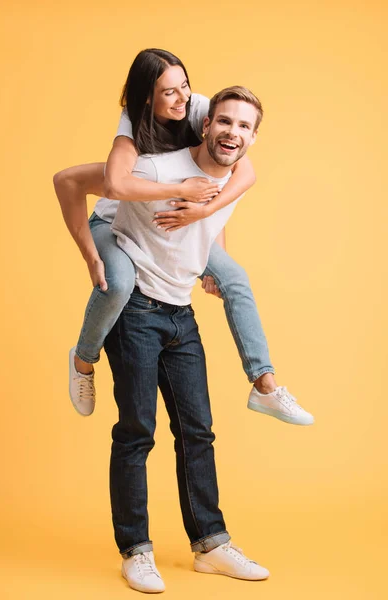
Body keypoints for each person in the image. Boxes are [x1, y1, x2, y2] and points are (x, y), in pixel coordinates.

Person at [54, 48, 314, 426]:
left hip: (181, 221)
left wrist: (206, 214)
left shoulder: (202, 111)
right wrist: (91, 255)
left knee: (236, 279)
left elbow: (243, 171)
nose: (183, 98)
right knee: (118, 283)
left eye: (185, 86)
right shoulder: (134, 141)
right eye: (169, 92)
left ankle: (265, 384)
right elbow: (84, 182)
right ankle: (83, 360)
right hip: (116, 223)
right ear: (147, 97)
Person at [105, 86, 271, 593]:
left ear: (253, 139)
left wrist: (207, 252)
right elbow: (102, 185)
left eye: (245, 127)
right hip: (135, 311)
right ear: (205, 122)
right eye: (225, 122)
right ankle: (136, 550)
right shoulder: (156, 167)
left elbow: (217, 222)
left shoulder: (233, 179)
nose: (233, 133)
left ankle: (211, 545)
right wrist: (99, 252)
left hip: (182, 315)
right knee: (137, 432)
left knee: (198, 432)